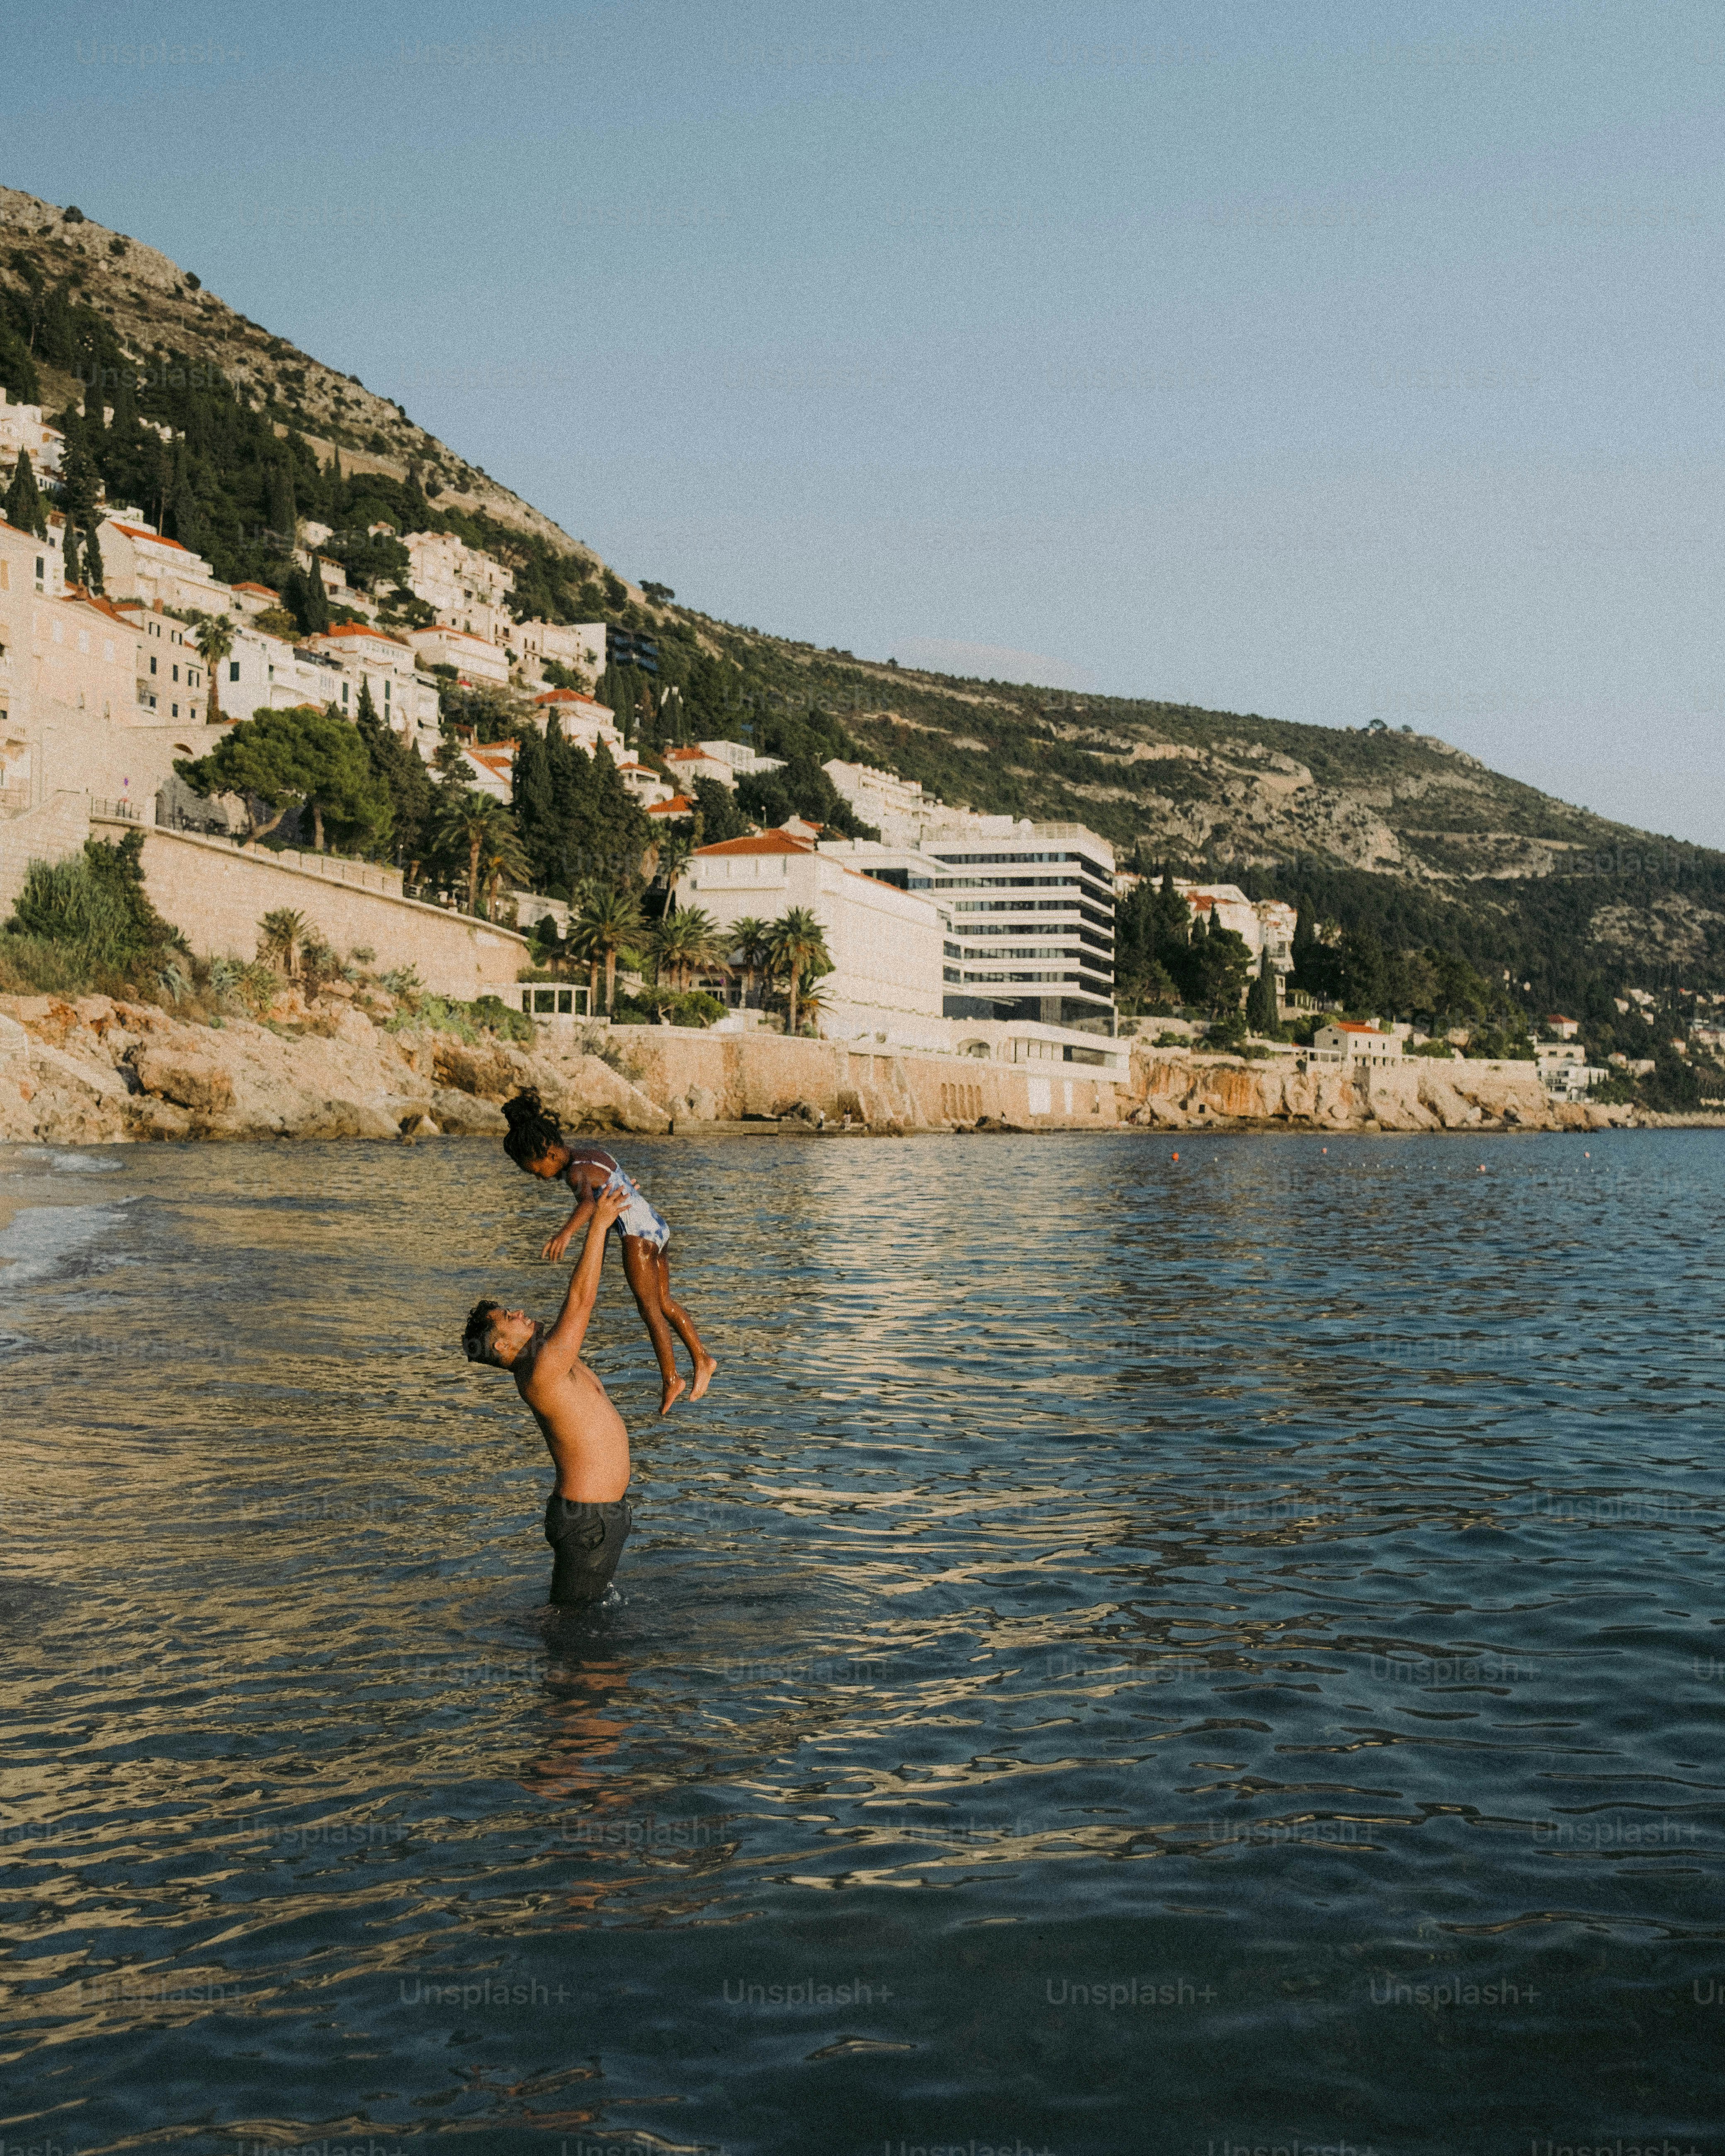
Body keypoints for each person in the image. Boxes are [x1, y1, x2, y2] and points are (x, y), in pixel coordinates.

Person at [463, 1176, 635, 1607]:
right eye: (508, 1316)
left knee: (582, 1628)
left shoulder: (546, 1360)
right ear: (502, 1345)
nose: (520, 1312)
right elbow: (581, 1301)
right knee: (575, 1636)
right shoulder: (540, 1372)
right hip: (587, 1517)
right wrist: (597, 1226)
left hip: (597, 1516)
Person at [501, 1089, 717, 1416]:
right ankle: (702, 1358)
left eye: (533, 1170)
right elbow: (621, 1181)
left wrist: (566, 1233)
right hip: (658, 1227)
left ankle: (672, 1378)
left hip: (637, 1237)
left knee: (650, 1311)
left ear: (546, 1153)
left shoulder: (575, 1173)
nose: (536, 1178)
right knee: (665, 1303)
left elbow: (589, 1204)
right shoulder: (593, 1153)